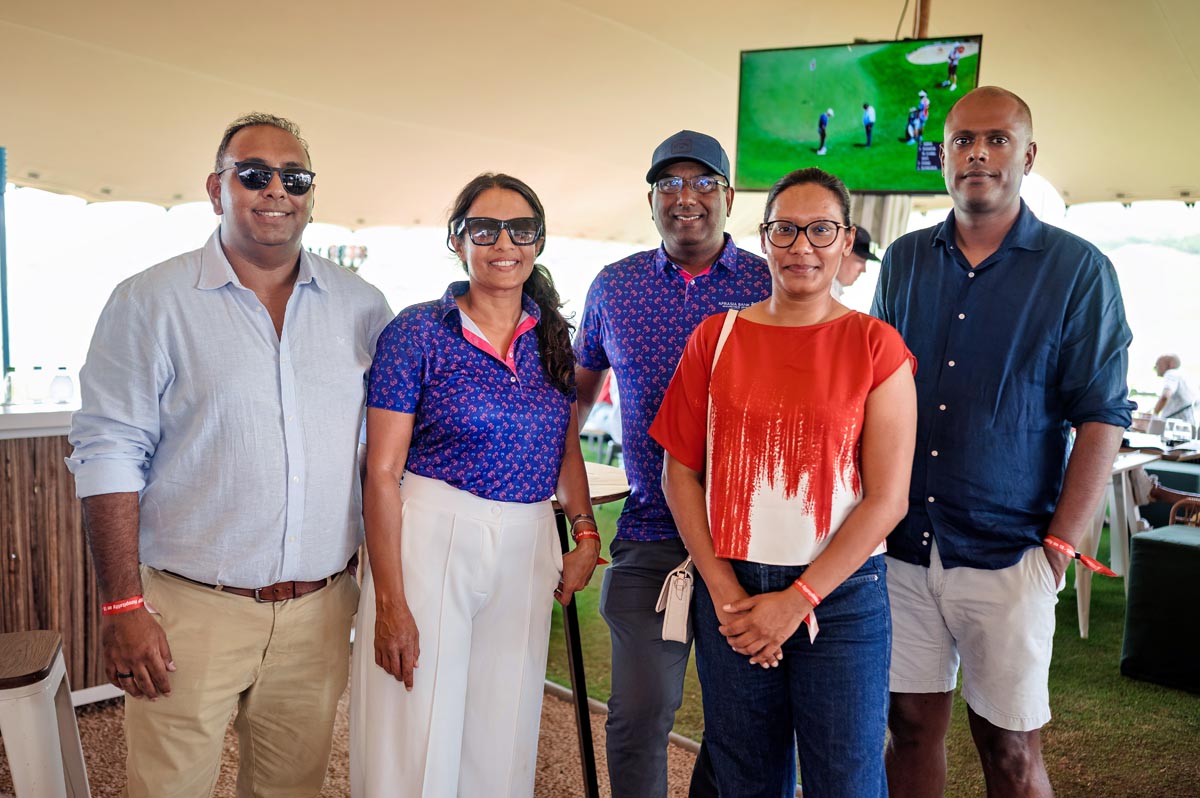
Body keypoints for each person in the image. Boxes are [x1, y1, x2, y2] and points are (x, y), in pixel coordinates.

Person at [66, 112, 393, 797]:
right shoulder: (150, 302)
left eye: (294, 177)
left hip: (320, 611)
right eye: (254, 174)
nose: (276, 190)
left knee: (290, 790)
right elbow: (108, 452)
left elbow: (385, 452)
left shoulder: (362, 307)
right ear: (217, 189)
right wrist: (123, 606)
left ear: (311, 195)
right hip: (190, 611)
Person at [872, 86, 1135, 797]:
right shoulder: (904, 260)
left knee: (1010, 749)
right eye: (962, 140)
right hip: (904, 544)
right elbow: (876, 392)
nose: (978, 154)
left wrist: (1061, 546)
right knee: (908, 729)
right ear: (943, 155)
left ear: (1028, 154)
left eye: (997, 139)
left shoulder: (1078, 270)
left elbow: (1103, 415)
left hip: (1012, 550)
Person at [652, 166, 917, 797]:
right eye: (786, 229)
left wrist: (797, 600)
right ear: (764, 236)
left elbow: (888, 499)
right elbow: (679, 474)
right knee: (745, 777)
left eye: (821, 230)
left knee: (847, 781)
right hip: (733, 589)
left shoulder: (876, 345)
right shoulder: (714, 338)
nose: (803, 246)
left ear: (846, 240)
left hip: (841, 597)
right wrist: (726, 595)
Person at [351, 173, 600, 797]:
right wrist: (389, 602)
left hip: (528, 538)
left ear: (538, 241)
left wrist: (586, 531)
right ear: (457, 241)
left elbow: (565, 445)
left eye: (521, 230)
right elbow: (381, 471)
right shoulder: (417, 331)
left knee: (503, 729)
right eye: (484, 229)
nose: (503, 243)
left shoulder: (552, 335)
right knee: (415, 724)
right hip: (433, 532)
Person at [574, 130, 771, 798]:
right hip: (653, 534)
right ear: (652, 199)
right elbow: (576, 397)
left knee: (744, 725)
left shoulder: (769, 281)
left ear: (729, 197)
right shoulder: (615, 286)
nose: (686, 197)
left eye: (704, 182)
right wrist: (561, 494)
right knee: (638, 713)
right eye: (670, 184)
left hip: (754, 542)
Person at [831, 226, 880, 299]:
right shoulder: (825, 294)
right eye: (860, 261)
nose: (863, 270)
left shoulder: (832, 291)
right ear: (842, 251)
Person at [1153, 353, 1196, 427]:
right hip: (1188, 424)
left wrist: (1154, 414)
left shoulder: (1171, 373)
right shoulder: (1183, 375)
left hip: (1176, 426)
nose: (1155, 367)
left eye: (1158, 364)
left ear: (1170, 364)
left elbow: (1165, 396)